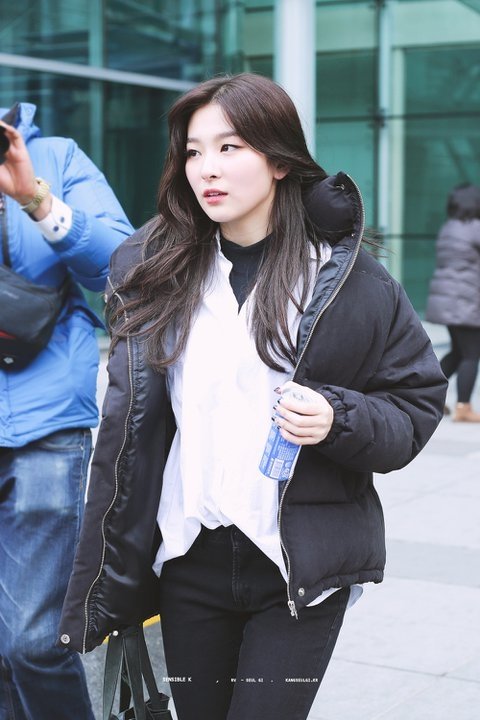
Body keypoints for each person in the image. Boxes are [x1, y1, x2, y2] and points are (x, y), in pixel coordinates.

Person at [59, 73, 447, 720]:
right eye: (193, 151)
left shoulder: (346, 277)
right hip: (187, 559)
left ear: (278, 159)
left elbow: (415, 403)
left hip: (296, 570)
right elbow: (132, 430)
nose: (206, 168)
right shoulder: (156, 273)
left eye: (229, 147)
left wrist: (338, 417)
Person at [0, 102, 133, 719]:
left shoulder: (54, 158)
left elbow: (122, 265)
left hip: (45, 420)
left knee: (32, 642)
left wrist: (34, 198)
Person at [425, 183, 480, 422]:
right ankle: (463, 407)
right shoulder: (474, 228)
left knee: (459, 352)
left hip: (448, 299)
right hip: (466, 300)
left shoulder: (449, 227)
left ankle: (426, 395)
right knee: (471, 354)